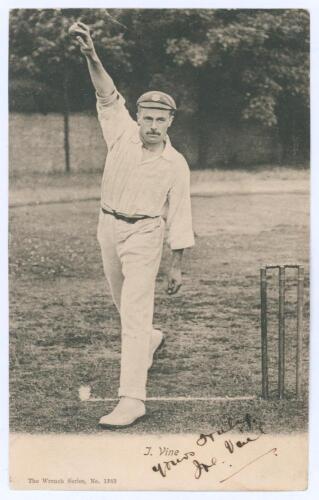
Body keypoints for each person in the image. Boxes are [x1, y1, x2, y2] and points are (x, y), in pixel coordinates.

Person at [69, 21, 195, 427]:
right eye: (147, 117)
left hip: (145, 234)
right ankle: (154, 340)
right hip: (107, 225)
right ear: (137, 116)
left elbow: (180, 214)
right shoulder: (120, 133)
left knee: (135, 313)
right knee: (124, 306)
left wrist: (176, 264)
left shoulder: (175, 164)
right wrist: (91, 54)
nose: (153, 125)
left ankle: (132, 399)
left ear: (170, 122)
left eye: (161, 119)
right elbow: (106, 92)